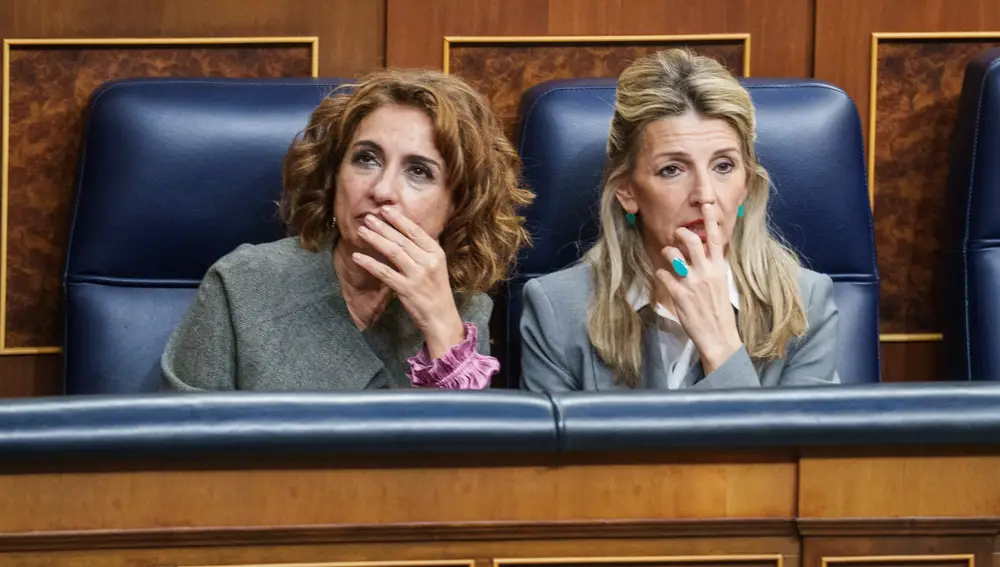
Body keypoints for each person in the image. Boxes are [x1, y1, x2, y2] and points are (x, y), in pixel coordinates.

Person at [161, 69, 533, 391]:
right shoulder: (241, 285)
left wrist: (442, 330)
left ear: (457, 206)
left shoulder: (464, 307)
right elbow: (178, 449)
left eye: (419, 171)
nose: (382, 190)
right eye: (366, 159)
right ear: (334, 177)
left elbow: (464, 468)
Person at [520, 49, 840, 392]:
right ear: (627, 191)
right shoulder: (556, 309)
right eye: (672, 169)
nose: (705, 194)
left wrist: (720, 345)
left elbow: (796, 447)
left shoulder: (804, 304)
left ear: (746, 184)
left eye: (723, 166)